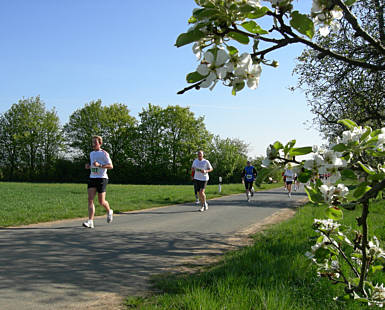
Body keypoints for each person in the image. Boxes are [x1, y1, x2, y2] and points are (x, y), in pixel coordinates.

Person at [83, 135, 114, 228]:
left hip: (102, 178)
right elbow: (93, 165)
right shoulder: (91, 153)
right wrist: (89, 166)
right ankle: (90, 221)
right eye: (92, 142)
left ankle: (109, 211)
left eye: (95, 142)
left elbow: (111, 166)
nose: (93, 144)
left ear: (100, 143)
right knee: (90, 199)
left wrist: (99, 165)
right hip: (92, 177)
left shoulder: (104, 153)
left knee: (101, 202)